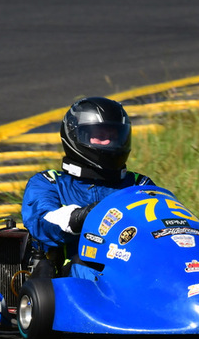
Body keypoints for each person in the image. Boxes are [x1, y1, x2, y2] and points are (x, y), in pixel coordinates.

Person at [21, 96, 154, 279]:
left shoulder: (139, 184)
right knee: (87, 263)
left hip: (132, 269)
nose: (108, 143)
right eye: (100, 136)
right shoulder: (49, 183)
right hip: (70, 275)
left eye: (114, 136)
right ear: (77, 136)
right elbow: (43, 222)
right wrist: (80, 216)